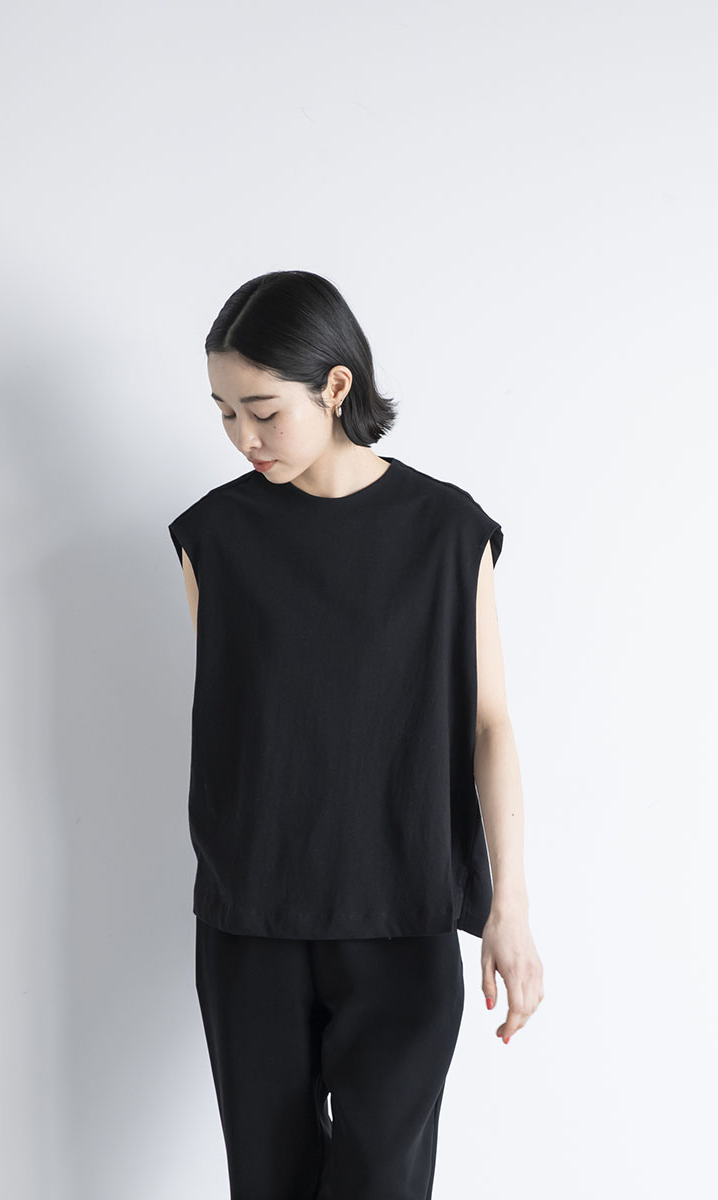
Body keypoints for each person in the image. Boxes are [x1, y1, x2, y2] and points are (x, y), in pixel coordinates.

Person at [166, 270, 544, 1199]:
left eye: (263, 410)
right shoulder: (212, 537)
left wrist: (510, 908)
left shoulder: (447, 531)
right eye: (224, 414)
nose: (243, 437)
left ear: (336, 387)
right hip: (252, 919)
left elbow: (490, 723)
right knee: (269, 1184)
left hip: (403, 913)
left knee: (383, 1184)